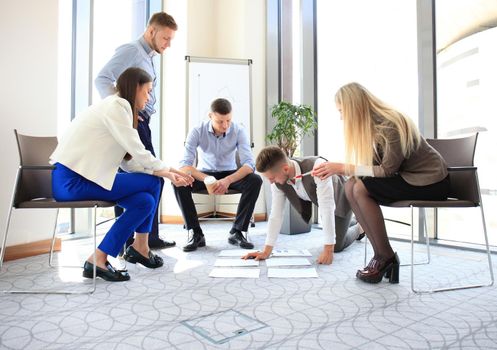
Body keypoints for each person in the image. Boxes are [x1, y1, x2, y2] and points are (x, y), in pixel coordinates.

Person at [50, 68, 193, 282]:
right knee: (153, 181)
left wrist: (169, 172)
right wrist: (169, 172)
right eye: (148, 91)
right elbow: (139, 152)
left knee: (144, 201)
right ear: (136, 88)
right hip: (73, 181)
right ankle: (140, 247)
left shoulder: (117, 109)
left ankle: (100, 257)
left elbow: (131, 164)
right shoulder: (117, 106)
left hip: (85, 179)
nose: (149, 97)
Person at [313, 82, 450, 284]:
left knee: (359, 187)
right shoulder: (373, 128)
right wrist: (345, 171)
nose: (341, 118)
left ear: (354, 107)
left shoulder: (390, 124)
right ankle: (381, 255)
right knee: (352, 184)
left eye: (342, 112)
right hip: (408, 177)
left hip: (431, 181)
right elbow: (373, 168)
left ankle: (386, 256)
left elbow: (387, 170)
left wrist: (343, 167)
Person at [94, 12, 177, 250]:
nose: (168, 44)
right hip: (133, 120)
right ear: (151, 31)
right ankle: (139, 239)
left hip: (141, 120)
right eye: (165, 38)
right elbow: (102, 79)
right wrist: (123, 109)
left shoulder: (149, 56)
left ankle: (136, 239)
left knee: (144, 177)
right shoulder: (131, 50)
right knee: (152, 176)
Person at [242, 146, 363, 265]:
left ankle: (360, 227)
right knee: (337, 228)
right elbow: (276, 215)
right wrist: (266, 251)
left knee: (337, 245)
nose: (271, 182)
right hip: (321, 200)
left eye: (272, 178)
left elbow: (327, 207)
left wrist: (328, 249)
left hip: (342, 197)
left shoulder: (317, 167)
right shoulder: (278, 181)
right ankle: (350, 221)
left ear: (285, 169)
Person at [174, 98, 263, 252]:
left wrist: (227, 180)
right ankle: (195, 233)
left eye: (228, 120)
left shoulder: (239, 130)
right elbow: (184, 165)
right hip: (204, 174)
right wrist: (208, 180)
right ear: (210, 116)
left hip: (230, 173)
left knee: (255, 180)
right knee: (178, 181)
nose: (225, 125)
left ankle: (238, 231)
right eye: (220, 121)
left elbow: (249, 165)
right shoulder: (197, 130)